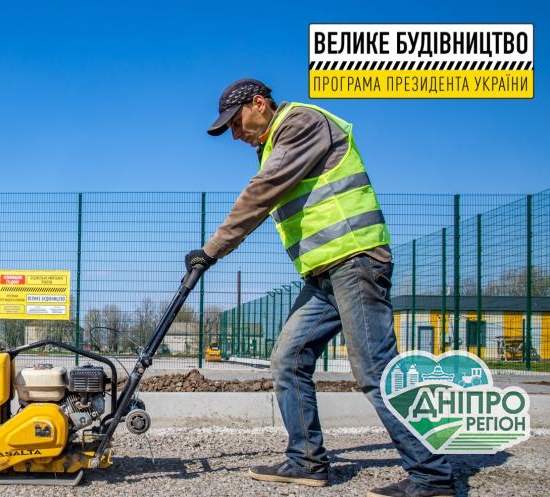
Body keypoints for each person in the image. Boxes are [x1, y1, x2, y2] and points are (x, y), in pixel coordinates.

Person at [183, 78, 456, 497]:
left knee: (375, 369)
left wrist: (211, 249)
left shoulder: (301, 124)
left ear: (259, 103)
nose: (234, 134)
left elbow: (262, 194)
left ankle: (433, 476)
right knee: (288, 360)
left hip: (355, 261)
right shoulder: (273, 145)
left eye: (235, 122)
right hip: (323, 276)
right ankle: (306, 461)